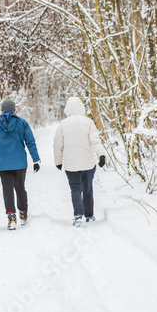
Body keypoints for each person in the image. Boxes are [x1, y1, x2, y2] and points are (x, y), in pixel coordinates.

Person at [0, 99, 41, 230]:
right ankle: (23, 214)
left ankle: (11, 218)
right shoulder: (22, 123)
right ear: (14, 110)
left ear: (2, 110)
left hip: (2, 163)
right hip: (20, 163)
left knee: (7, 189)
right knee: (20, 187)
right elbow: (30, 141)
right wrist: (36, 159)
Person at [53, 97, 106, 227]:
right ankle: (89, 215)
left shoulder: (63, 124)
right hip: (88, 164)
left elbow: (57, 145)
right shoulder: (88, 122)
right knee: (88, 188)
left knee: (75, 189)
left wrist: (58, 162)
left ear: (68, 109)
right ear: (81, 108)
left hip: (71, 165)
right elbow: (95, 141)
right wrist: (101, 155)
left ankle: (78, 215)